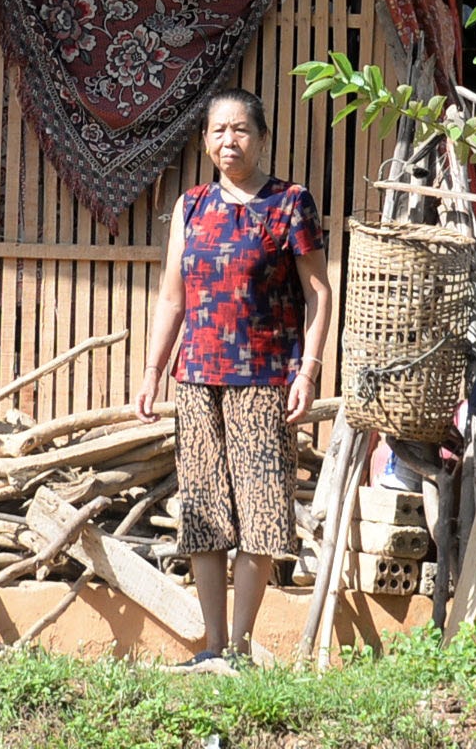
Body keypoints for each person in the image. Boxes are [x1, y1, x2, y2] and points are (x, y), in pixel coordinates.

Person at [134, 88, 334, 667]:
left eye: (241, 129)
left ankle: (241, 648)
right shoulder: (191, 207)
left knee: (262, 510)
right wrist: (152, 371)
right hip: (196, 378)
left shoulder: (290, 203)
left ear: (262, 137)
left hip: (265, 377)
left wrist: (309, 371)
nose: (229, 141)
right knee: (202, 510)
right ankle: (212, 647)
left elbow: (319, 294)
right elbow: (172, 298)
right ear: (205, 141)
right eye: (218, 130)